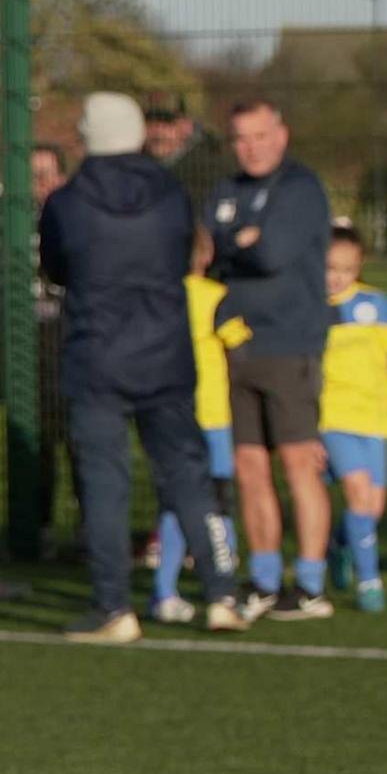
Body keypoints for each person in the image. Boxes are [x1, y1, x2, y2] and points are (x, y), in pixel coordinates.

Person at [41, 90, 238, 640]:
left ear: (87, 136)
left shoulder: (67, 202)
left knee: (106, 484)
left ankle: (114, 608)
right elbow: (182, 255)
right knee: (188, 474)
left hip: (96, 355)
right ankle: (222, 593)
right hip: (166, 353)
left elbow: (57, 269)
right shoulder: (172, 194)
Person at [201, 97, 335, 620]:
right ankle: (262, 579)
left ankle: (309, 584)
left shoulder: (300, 189)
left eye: (260, 136)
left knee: (300, 463)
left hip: (289, 344)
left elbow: (272, 253)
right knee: (249, 466)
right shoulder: (227, 191)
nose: (251, 147)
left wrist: (237, 245)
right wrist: (240, 242)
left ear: (282, 134)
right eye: (240, 138)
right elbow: (210, 250)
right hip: (235, 348)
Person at [317, 227, 387, 613]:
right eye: (329, 267)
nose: (336, 276)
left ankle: (340, 546)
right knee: (358, 493)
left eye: (346, 268)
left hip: (375, 421)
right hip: (333, 418)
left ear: (358, 268)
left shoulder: (377, 305)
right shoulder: (312, 308)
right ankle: (369, 583)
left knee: (372, 508)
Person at [147, 235, 246, 624]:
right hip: (212, 416)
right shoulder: (216, 296)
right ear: (206, 256)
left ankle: (164, 592)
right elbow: (240, 349)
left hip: (166, 414)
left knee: (175, 504)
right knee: (218, 501)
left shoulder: (155, 297)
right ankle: (225, 589)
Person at [0, 141, 69, 539]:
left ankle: (91, 531)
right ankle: (37, 527)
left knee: (84, 442)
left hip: (71, 346)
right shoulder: (12, 229)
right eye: (33, 177)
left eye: (47, 174)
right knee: (36, 443)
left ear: (62, 177)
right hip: (29, 350)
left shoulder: (76, 219)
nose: (41, 184)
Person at [139, 92, 232, 215]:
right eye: (150, 123)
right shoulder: (134, 168)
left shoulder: (210, 171)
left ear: (186, 126)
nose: (157, 132)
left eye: (167, 124)